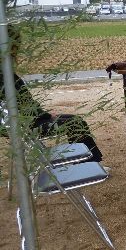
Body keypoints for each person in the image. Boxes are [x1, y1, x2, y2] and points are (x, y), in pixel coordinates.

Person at [1, 24, 103, 162]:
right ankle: (91, 163)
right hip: (30, 125)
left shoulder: (5, 73)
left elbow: (23, 105)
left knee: (75, 121)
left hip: (25, 123)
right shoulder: (6, 76)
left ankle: (89, 161)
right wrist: (46, 115)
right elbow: (23, 106)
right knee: (76, 123)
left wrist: (45, 114)